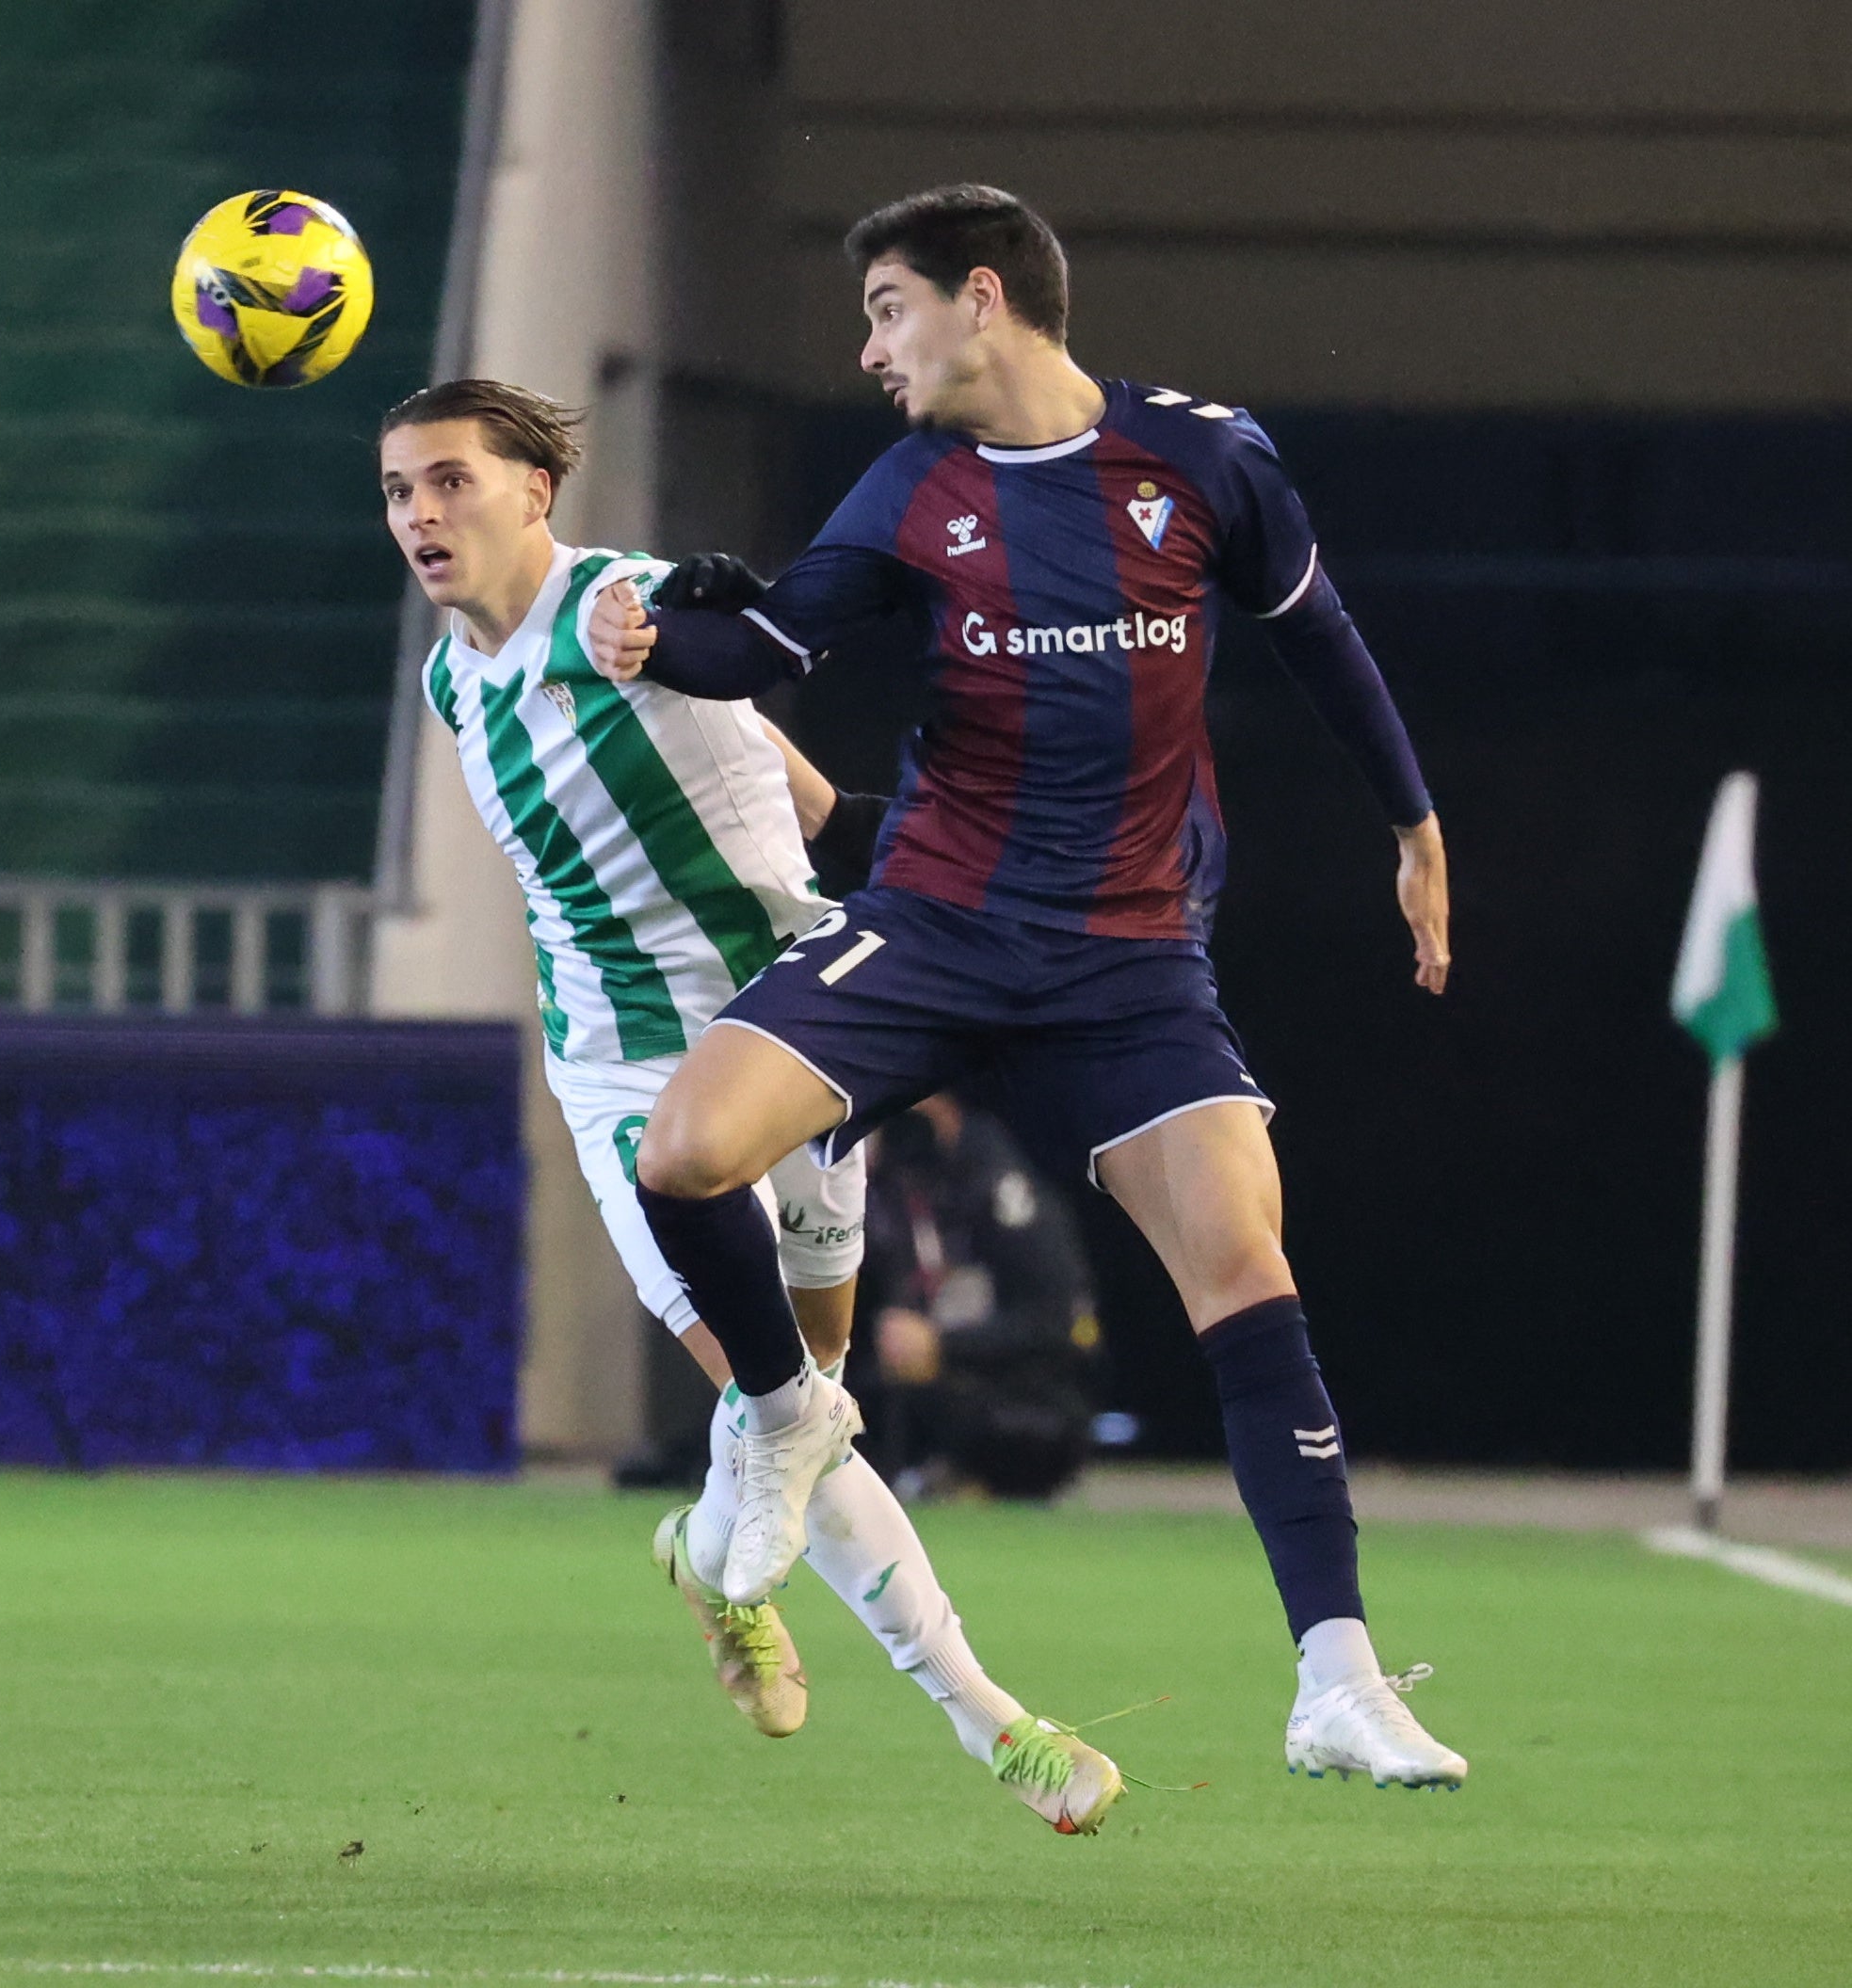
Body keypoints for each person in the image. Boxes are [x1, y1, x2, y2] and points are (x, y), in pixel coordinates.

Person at [586, 184, 1467, 1789]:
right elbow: (768, 645)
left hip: (1128, 961)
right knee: (684, 1153)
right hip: (929, 923)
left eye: (888, 310)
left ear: (981, 298)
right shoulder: (915, 484)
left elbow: (1322, 640)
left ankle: (1336, 1679)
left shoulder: (1202, 459)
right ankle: (782, 1414)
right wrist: (653, 633)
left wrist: (1412, 825)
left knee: (1245, 1267)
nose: (868, 349)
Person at [375, 377, 1122, 1835]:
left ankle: (713, 1561)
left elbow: (714, 635)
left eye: (450, 480)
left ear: (535, 492)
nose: (418, 513)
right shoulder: (450, 680)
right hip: (626, 1074)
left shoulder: (621, 608)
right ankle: (995, 1724)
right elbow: (787, 778)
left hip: (792, 1029)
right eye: (399, 489)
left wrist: (695, 640)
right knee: (790, 1407)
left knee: (803, 1396)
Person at [859, 1094, 1102, 1502]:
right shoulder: (896, 1185)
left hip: (1020, 1405)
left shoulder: (998, 1184)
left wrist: (943, 1346)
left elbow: (1058, 1322)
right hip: (918, 1400)